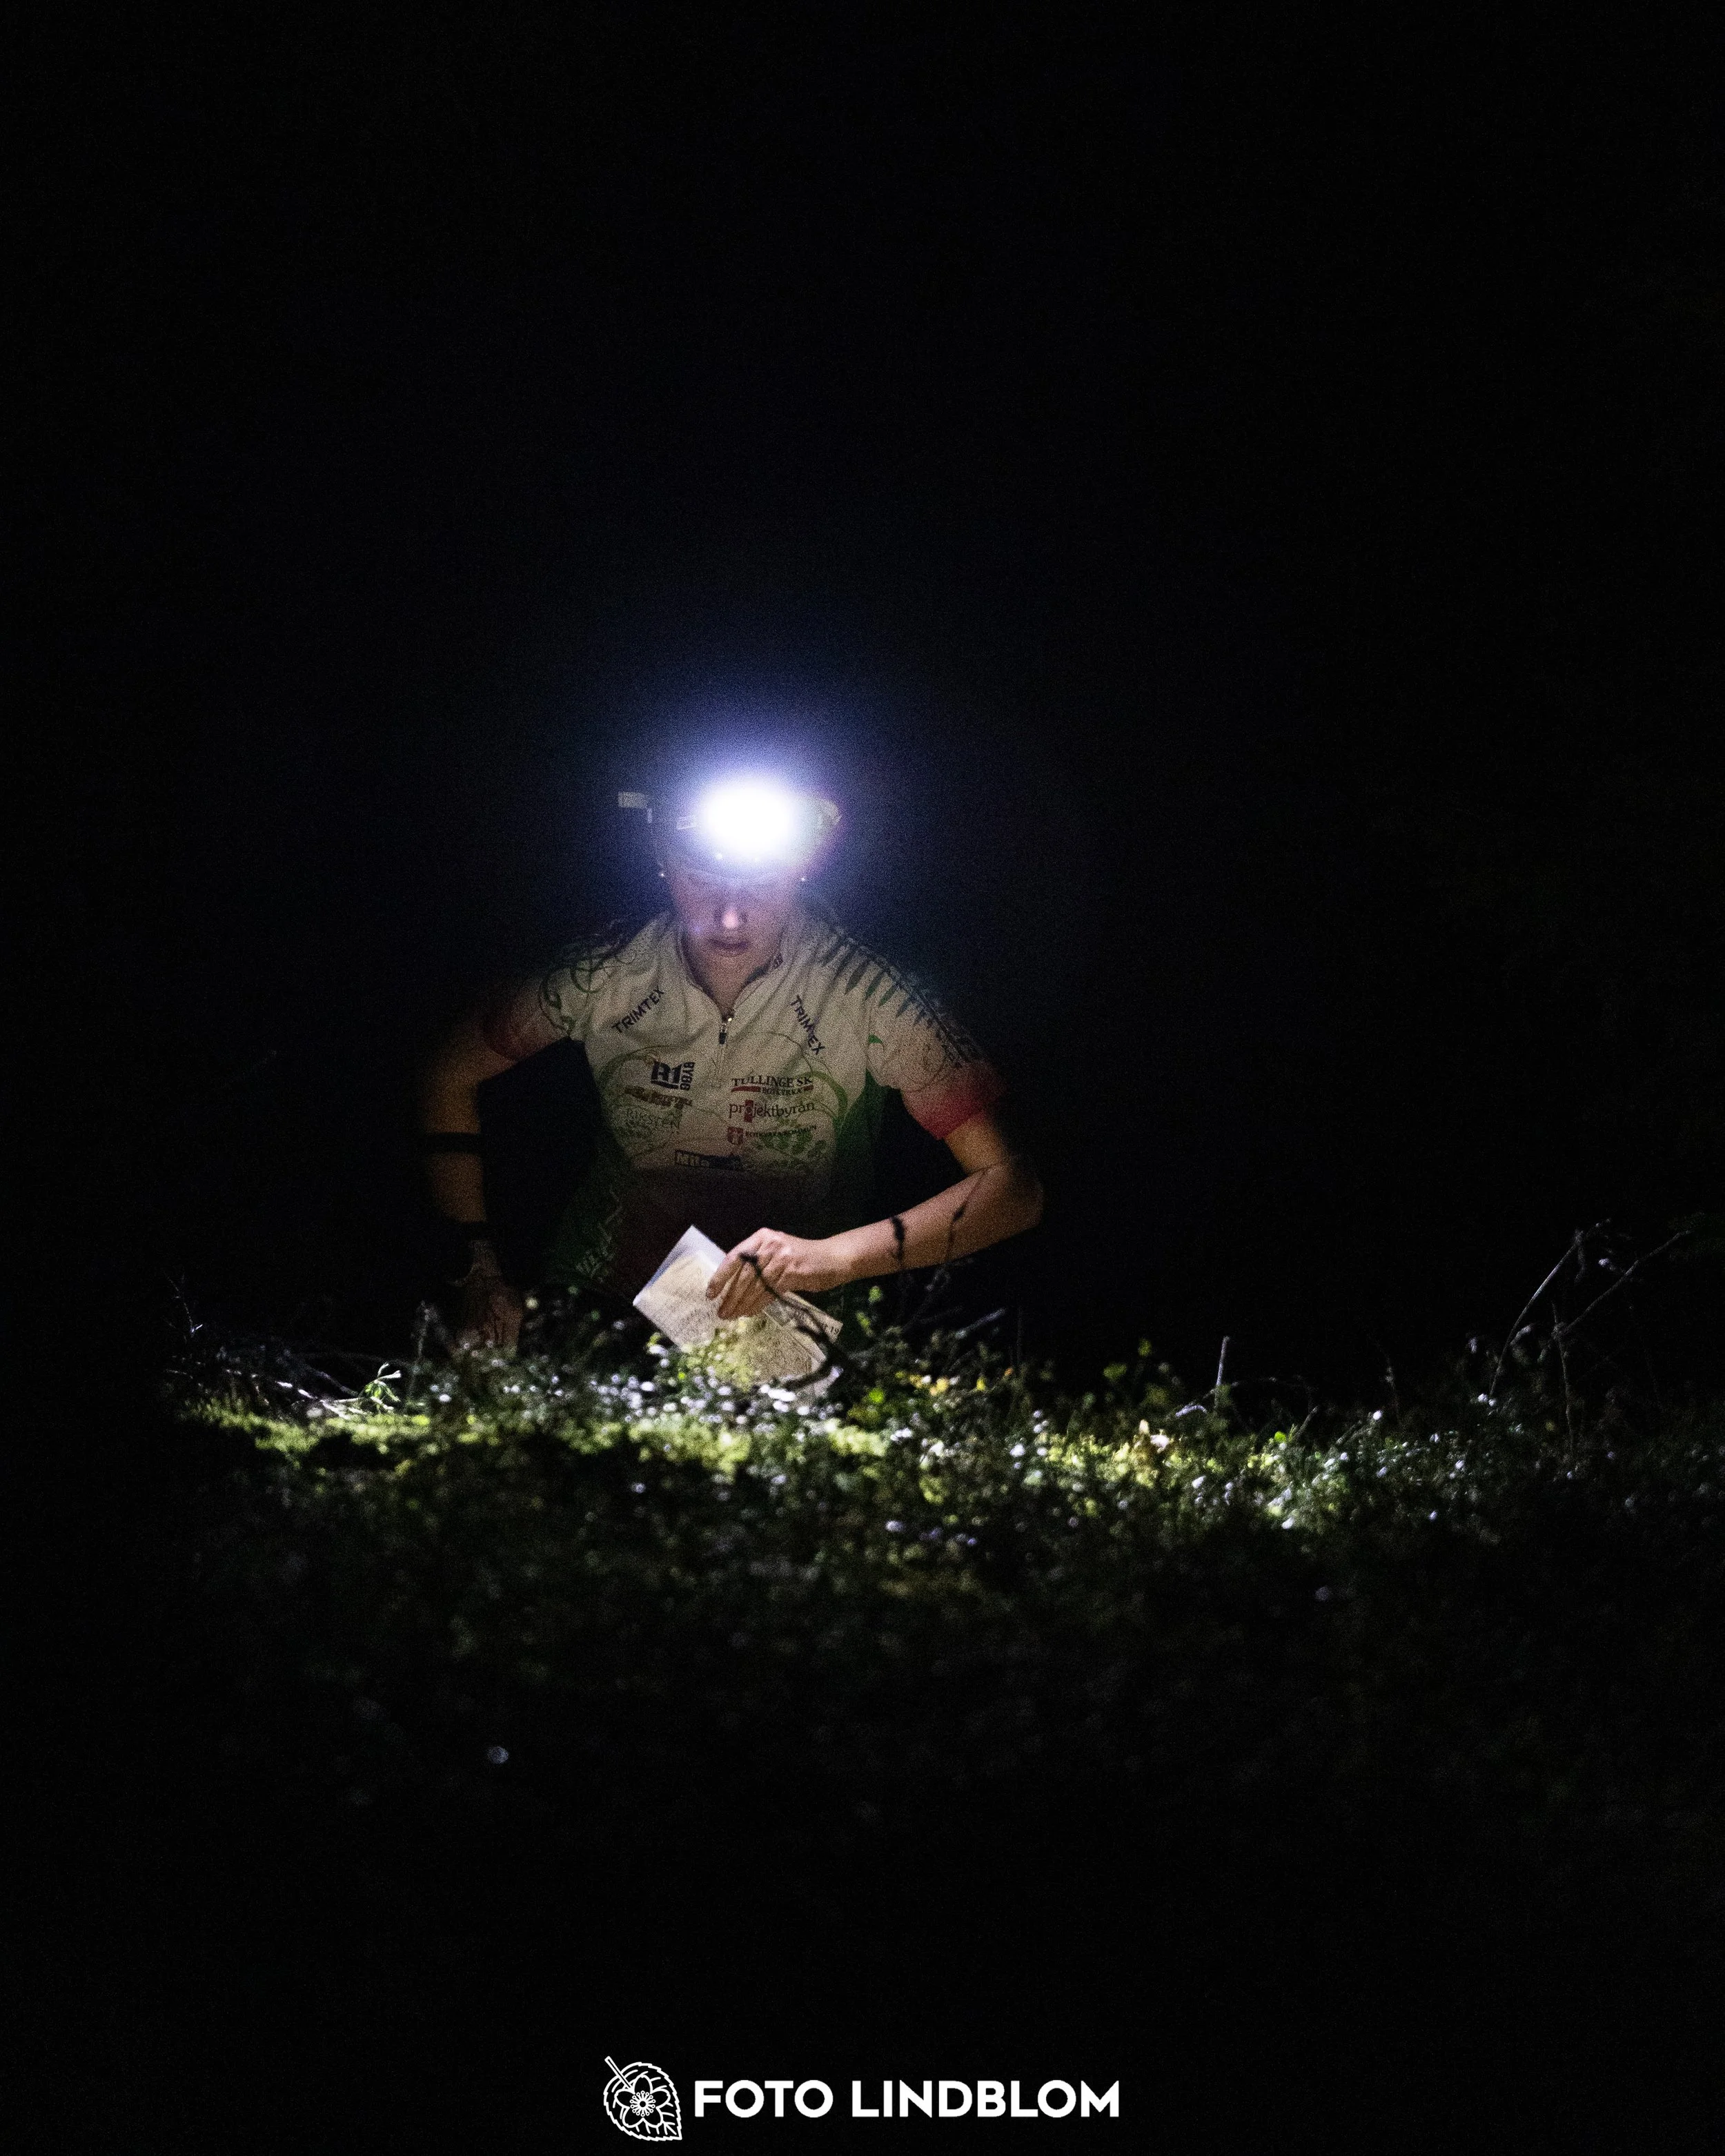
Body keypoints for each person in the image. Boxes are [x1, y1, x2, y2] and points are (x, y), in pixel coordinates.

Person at [419, 763, 1043, 1348]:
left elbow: (1015, 1186)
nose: (730, 915)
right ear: (661, 858)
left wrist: (834, 1257)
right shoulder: (602, 975)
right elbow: (448, 1071)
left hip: (788, 1315)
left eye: (761, 885)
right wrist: (476, 1266)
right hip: (604, 1290)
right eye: (701, 880)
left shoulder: (869, 995)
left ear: (805, 865)